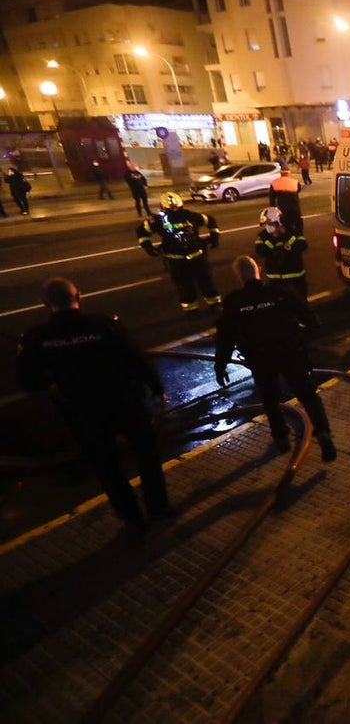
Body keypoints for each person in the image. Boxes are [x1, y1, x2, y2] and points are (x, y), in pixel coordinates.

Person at [15, 277, 171, 537]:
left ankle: (132, 520)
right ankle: (159, 507)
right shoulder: (106, 325)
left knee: (108, 469)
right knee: (148, 455)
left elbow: (28, 382)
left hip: (84, 414)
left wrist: (53, 380)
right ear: (79, 296)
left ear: (45, 303)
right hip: (125, 404)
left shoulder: (37, 338)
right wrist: (156, 388)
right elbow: (136, 357)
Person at [215, 256, 337, 461]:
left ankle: (281, 438)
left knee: (270, 399)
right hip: (290, 352)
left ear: (238, 277)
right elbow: (308, 317)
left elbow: (225, 337)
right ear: (259, 271)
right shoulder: (280, 291)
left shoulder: (233, 303)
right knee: (307, 394)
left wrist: (221, 365)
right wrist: (308, 335)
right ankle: (323, 434)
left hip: (261, 359)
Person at [137, 192, 222, 313]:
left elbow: (210, 221)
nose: (175, 210)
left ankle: (215, 304)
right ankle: (192, 310)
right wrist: (147, 246)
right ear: (163, 207)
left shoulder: (191, 216)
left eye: (177, 207)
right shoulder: (157, 221)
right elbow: (143, 232)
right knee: (185, 287)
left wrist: (214, 237)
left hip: (197, 256)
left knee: (207, 282)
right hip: (176, 260)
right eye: (171, 208)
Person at [255, 206, 309, 299]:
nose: (268, 227)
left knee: (300, 307)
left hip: (295, 281)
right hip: (275, 282)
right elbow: (260, 252)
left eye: (270, 224)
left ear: (278, 222)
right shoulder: (263, 236)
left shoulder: (292, 232)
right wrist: (273, 240)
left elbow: (302, 246)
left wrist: (286, 236)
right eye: (266, 224)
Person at [269, 166, 304, 235]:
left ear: (281, 174)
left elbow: (272, 197)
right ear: (289, 173)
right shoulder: (295, 182)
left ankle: (289, 235)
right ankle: (299, 235)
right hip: (294, 206)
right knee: (298, 221)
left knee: (286, 222)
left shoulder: (275, 183)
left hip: (283, 206)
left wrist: (273, 207)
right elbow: (298, 190)